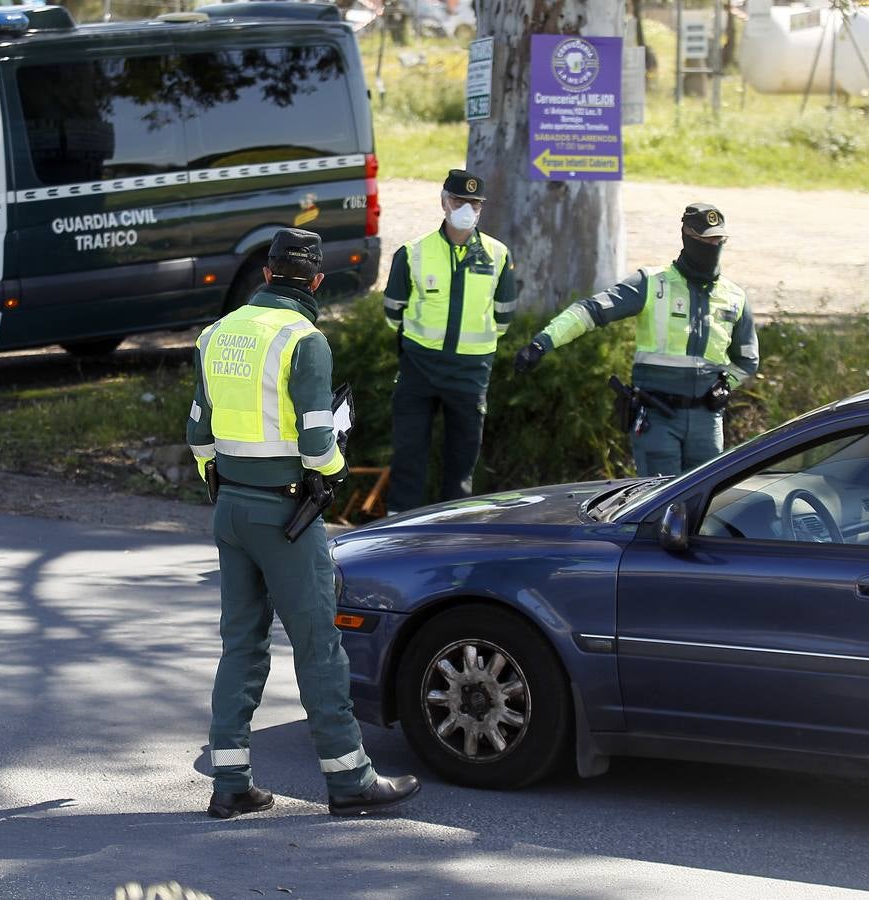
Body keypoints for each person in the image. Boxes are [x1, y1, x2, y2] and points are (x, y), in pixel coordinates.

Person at [186, 228, 419, 819]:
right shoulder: (304, 340)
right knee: (319, 647)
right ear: (315, 281)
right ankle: (350, 782)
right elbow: (318, 442)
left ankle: (230, 783)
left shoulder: (215, 334)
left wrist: (220, 481)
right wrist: (335, 468)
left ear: (266, 273)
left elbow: (199, 433)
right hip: (287, 512)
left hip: (231, 508)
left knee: (241, 644)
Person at [515, 202, 759, 477]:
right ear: (687, 237)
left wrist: (725, 385)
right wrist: (542, 342)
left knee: (704, 504)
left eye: (719, 240)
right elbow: (591, 310)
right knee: (660, 504)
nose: (713, 245)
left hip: (707, 420)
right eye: (705, 240)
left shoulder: (734, 296)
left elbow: (748, 359)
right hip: (657, 418)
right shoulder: (652, 283)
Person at [383, 169, 516, 514]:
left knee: (462, 462)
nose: (466, 208)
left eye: (474, 203)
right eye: (459, 200)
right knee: (408, 455)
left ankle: (452, 533)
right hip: (419, 368)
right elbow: (392, 312)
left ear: (482, 208)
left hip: (470, 372)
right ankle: (399, 528)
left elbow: (504, 316)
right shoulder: (412, 252)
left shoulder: (497, 254)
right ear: (443, 201)